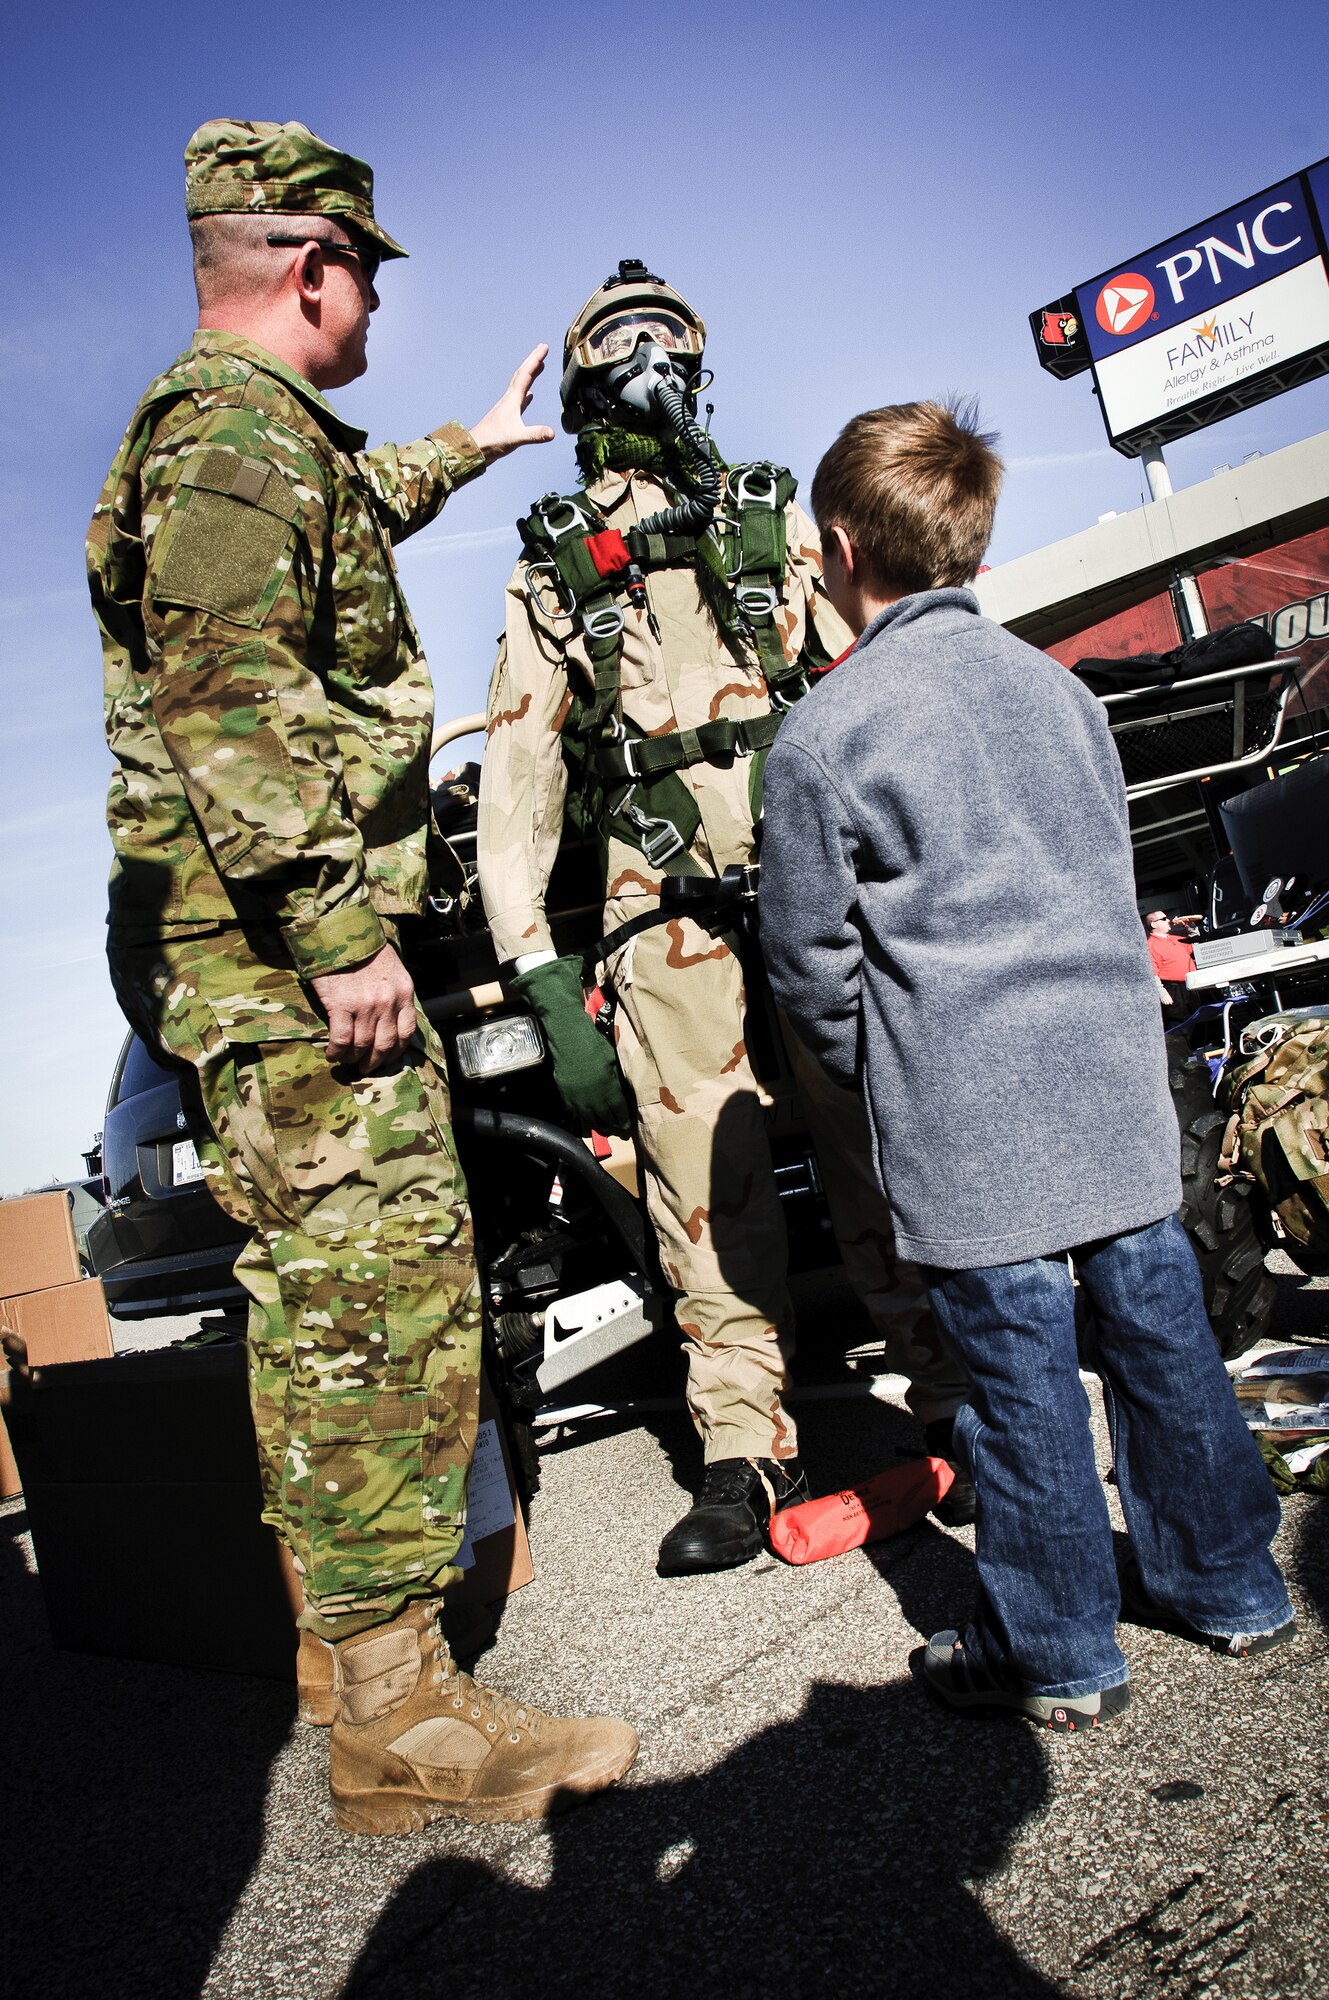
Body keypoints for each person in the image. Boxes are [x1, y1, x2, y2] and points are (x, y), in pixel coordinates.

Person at [87, 118, 638, 1832]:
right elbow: (226, 703)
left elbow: (341, 513)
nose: (377, 312)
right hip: (285, 976)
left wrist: (467, 445)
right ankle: (396, 1728)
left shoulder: (259, 445)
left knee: (373, 1312)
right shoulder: (235, 443)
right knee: (358, 1327)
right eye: (366, 281)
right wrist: (334, 935)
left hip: (265, 969)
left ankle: (393, 1695)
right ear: (312, 269)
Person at [760, 399, 1295, 1732]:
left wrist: (865, 1091)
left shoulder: (827, 737)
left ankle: (1059, 1652)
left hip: (966, 1110)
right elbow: (1106, 884)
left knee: (1016, 1381)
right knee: (1166, 1340)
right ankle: (1231, 1586)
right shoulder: (1060, 691)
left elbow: (810, 975)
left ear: (838, 546)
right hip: (1109, 1089)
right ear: (969, 541)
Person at [476, 262, 972, 1577]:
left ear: (695, 368)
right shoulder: (549, 566)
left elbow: (872, 690)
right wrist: (534, 965)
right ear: (586, 380)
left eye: (665, 339)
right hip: (658, 919)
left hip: (819, 889)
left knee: (881, 1144)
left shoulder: (771, 518)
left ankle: (954, 1404)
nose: (644, 357)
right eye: (618, 341)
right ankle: (743, 1450)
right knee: (704, 1192)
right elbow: (520, 779)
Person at [1145, 909, 1195, 1011]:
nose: (1168, 920)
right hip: (1174, 989)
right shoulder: (1151, 946)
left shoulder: (1175, 939)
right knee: (1181, 1021)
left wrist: (1190, 927)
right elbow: (1153, 973)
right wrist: (1162, 992)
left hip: (1192, 984)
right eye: (1164, 919)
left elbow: (1195, 945)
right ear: (1154, 924)